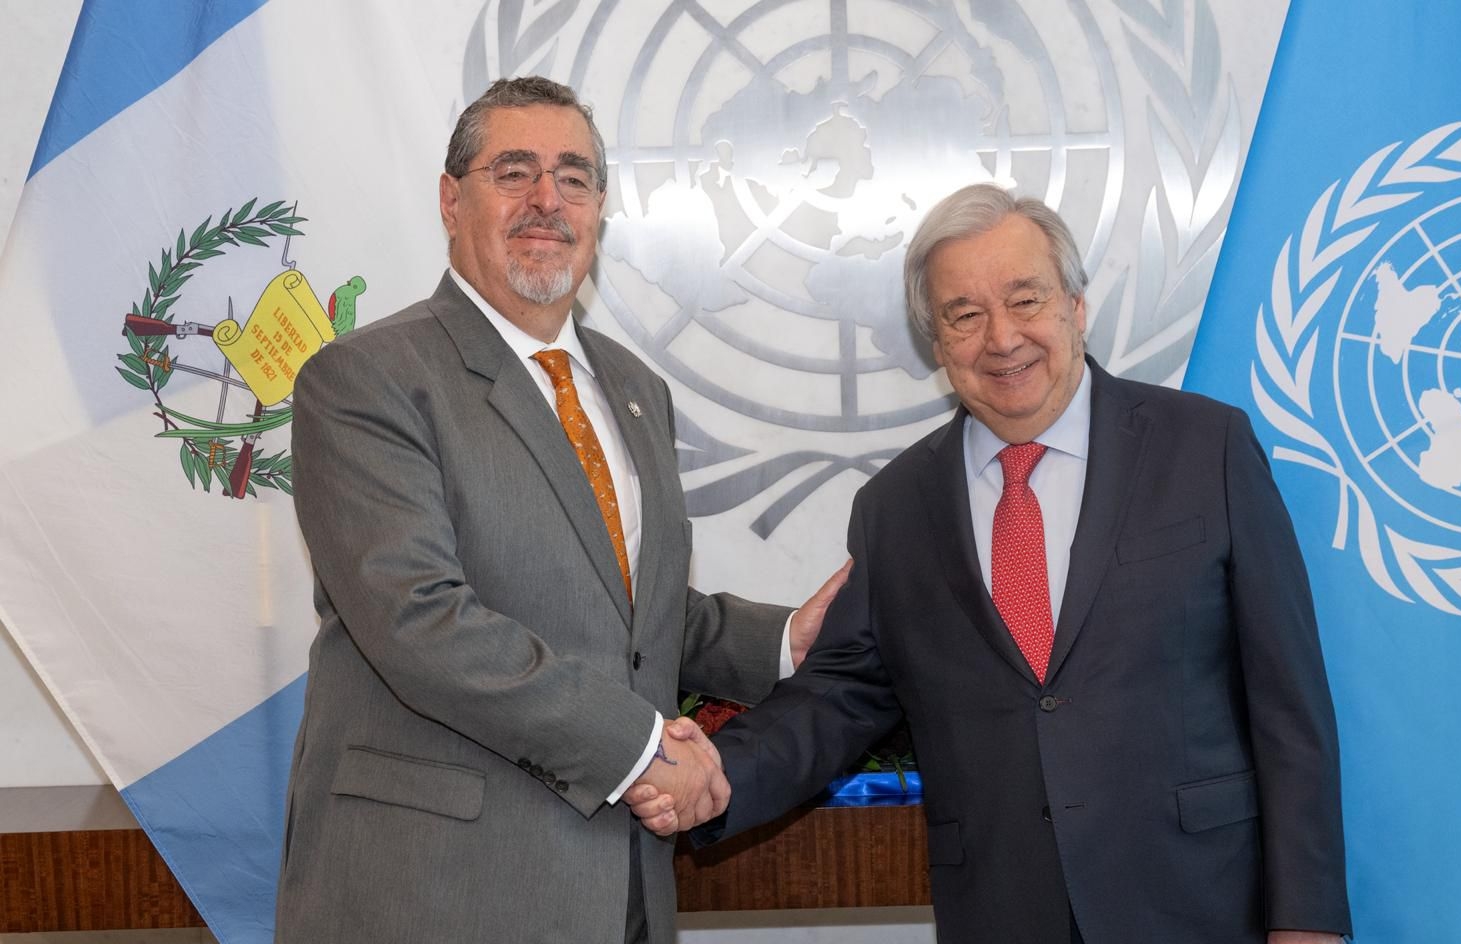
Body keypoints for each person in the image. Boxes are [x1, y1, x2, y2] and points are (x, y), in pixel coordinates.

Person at [629, 184, 1352, 943]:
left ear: (1075, 307)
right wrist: (716, 777)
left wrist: (1306, 921)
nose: (1001, 338)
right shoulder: (897, 507)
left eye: (1025, 300)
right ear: (937, 346)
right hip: (1004, 913)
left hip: (1201, 905)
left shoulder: (1206, 449)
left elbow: (1288, 708)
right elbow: (838, 698)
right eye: (964, 316)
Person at [274, 76, 846, 944]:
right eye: (515, 171)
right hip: (431, 893)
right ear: (449, 199)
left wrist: (781, 640)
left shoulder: (633, 388)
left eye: (574, 177)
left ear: (601, 209)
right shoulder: (366, 381)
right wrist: (643, 748)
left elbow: (629, 615)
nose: (548, 200)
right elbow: (420, 620)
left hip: (617, 891)